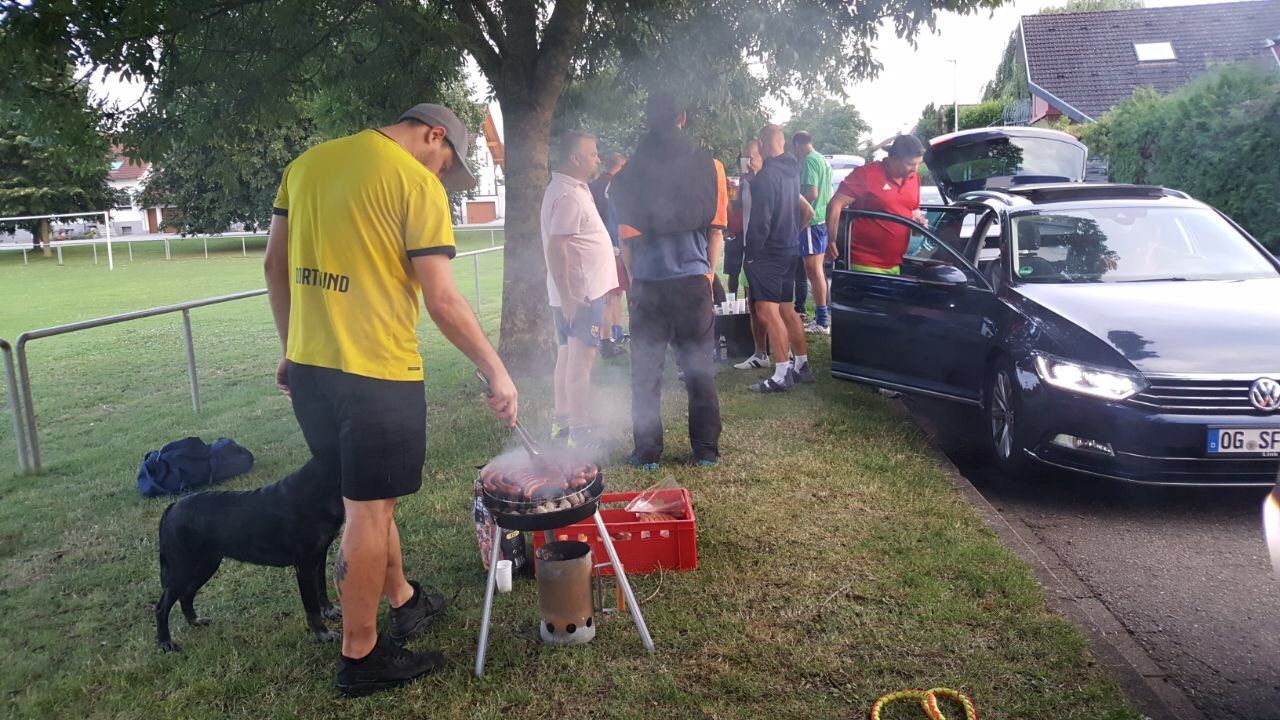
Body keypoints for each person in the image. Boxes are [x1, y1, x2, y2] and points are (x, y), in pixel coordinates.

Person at [264, 103, 519, 696]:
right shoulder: (414, 184)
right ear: (434, 135)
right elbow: (443, 300)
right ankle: (361, 656)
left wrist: (290, 346)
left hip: (311, 373)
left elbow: (275, 265)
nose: (441, 176)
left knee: (367, 499)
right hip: (377, 376)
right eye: (446, 163)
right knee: (368, 512)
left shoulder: (306, 165)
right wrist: (497, 372)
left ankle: (404, 599)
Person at [611, 93, 725, 469]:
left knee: (646, 373)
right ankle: (706, 451)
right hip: (693, 282)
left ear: (648, 119)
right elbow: (715, 231)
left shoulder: (629, 172)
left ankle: (646, 452)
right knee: (698, 370)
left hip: (648, 284)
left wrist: (634, 281)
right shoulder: (709, 166)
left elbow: (626, 239)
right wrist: (708, 274)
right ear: (682, 117)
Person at [542, 131, 618, 449]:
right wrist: (569, 297)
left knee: (566, 356)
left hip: (573, 293)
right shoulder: (569, 196)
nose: (598, 158)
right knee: (580, 362)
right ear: (575, 158)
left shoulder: (570, 188)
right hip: (580, 295)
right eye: (593, 153)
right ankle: (579, 431)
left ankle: (562, 424)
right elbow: (556, 246)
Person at [742, 124, 814, 393]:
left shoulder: (768, 175)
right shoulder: (792, 170)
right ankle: (802, 365)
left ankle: (782, 373)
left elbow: (761, 221)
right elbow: (802, 209)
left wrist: (752, 254)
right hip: (789, 249)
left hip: (769, 252)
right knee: (786, 308)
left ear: (762, 144)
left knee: (766, 311)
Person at [825, 134, 927, 275]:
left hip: (896, 263)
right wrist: (831, 241)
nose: (915, 169)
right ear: (894, 158)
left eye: (918, 164)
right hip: (865, 262)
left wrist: (918, 223)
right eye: (910, 164)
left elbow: (913, 210)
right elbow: (835, 205)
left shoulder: (914, 178)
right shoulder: (866, 174)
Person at [791, 131, 833, 334]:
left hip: (812, 221)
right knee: (818, 272)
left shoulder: (809, 161)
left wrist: (795, 202)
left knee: (813, 271)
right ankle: (822, 317)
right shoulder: (823, 160)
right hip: (821, 220)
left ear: (797, 145)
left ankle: (822, 321)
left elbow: (812, 193)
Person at [589, 152, 629, 357]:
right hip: (610, 247)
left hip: (599, 245)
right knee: (611, 295)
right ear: (620, 166)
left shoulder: (592, 186)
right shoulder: (611, 185)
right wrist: (616, 244)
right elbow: (612, 218)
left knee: (614, 293)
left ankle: (615, 333)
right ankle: (607, 339)